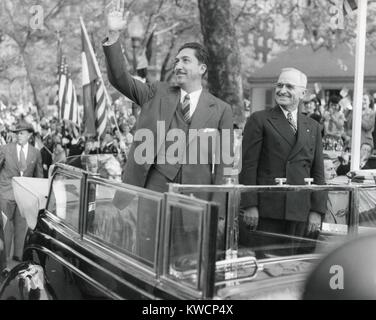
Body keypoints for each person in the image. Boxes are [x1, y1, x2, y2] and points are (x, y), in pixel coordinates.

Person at [103, 0, 233, 259]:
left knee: (189, 266)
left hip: (197, 201)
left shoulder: (221, 110)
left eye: (185, 60)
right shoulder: (155, 92)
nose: (178, 65)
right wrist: (114, 35)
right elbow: (120, 79)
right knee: (149, 259)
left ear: (202, 69)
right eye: (176, 61)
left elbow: (226, 166)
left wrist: (220, 210)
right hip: (154, 193)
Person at [239, 67, 326, 256]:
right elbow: (248, 166)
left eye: (289, 86)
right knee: (267, 268)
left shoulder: (313, 126)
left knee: (295, 269)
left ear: (303, 93)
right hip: (268, 211)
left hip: (301, 212)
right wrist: (250, 205)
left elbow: (318, 172)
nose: (282, 90)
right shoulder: (260, 120)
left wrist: (317, 210)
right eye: (279, 85)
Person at [0, 120, 43, 269]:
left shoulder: (35, 153)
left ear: (30, 135)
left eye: (22, 133)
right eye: (17, 133)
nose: (19, 136)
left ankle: (18, 257)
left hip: (24, 196)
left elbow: (39, 176)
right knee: (6, 226)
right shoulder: (5, 149)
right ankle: (4, 259)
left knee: (21, 225)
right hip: (6, 193)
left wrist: (38, 197)